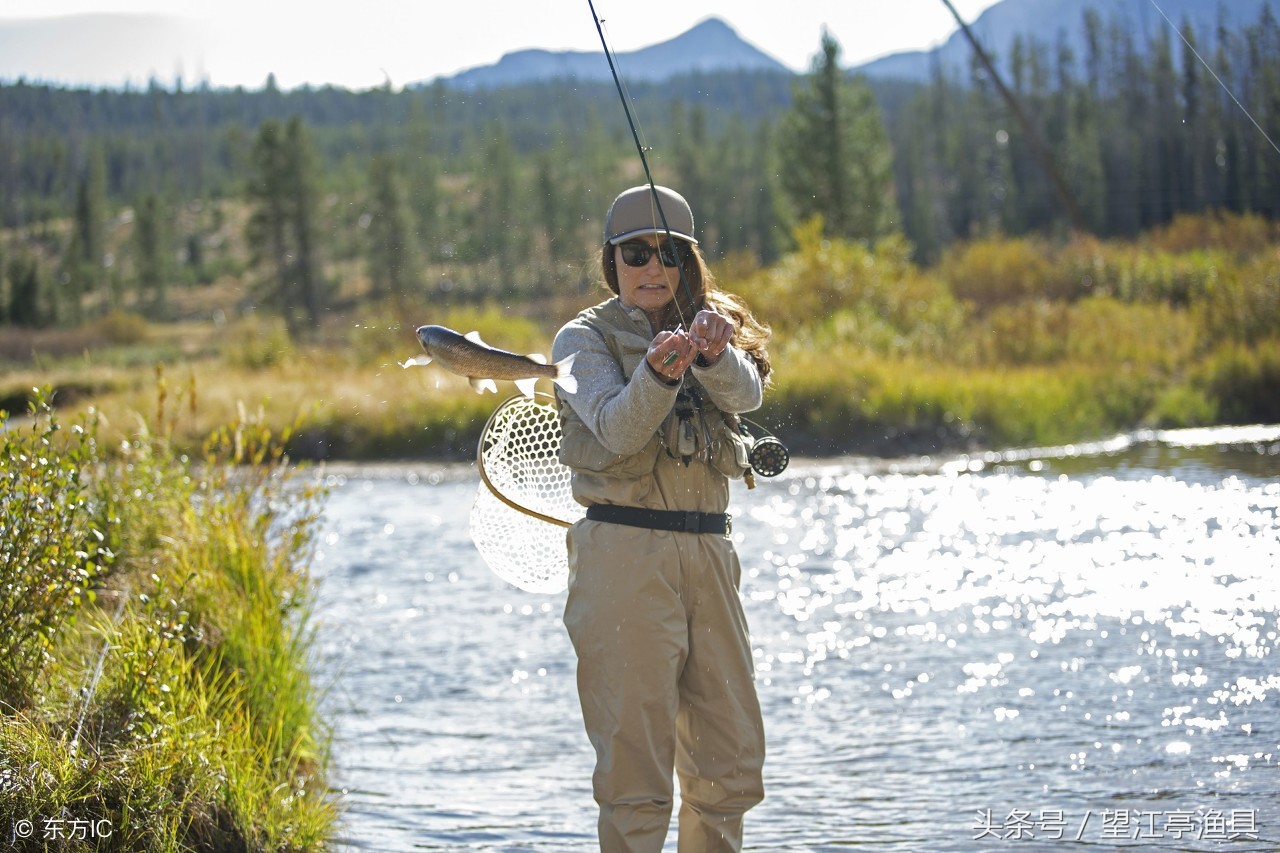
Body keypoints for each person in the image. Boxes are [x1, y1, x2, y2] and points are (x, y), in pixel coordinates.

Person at [551, 185, 772, 852]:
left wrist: (714, 353)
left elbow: (748, 394)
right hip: (623, 558)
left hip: (711, 558)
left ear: (687, 261)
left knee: (729, 767)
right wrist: (657, 375)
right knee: (636, 777)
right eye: (636, 253)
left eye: (669, 253)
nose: (653, 266)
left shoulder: (711, 326)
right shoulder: (580, 339)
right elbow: (617, 429)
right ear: (611, 261)